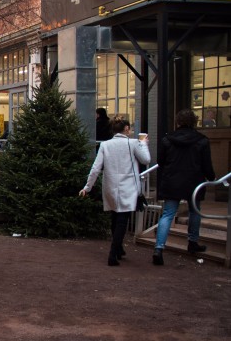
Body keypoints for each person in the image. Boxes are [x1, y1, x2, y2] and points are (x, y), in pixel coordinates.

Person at [79, 117, 151, 266]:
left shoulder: (105, 145)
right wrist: (144, 144)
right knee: (123, 219)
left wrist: (87, 187)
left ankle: (118, 249)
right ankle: (113, 253)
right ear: (126, 129)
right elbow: (146, 159)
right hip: (128, 186)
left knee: (115, 217)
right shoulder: (133, 143)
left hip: (110, 186)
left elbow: (96, 168)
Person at [152, 109, 215, 265]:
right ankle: (192, 242)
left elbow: (160, 161)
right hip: (194, 181)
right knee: (195, 211)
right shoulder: (202, 140)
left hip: (172, 181)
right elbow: (207, 164)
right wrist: (212, 178)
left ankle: (158, 248)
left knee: (168, 214)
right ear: (194, 121)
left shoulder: (167, 139)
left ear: (177, 122)